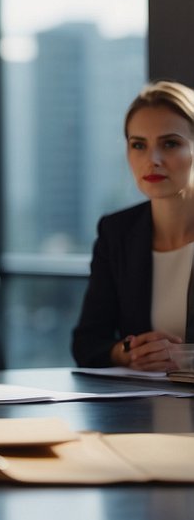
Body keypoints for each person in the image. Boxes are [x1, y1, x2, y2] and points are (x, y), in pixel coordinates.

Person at [72, 80, 194, 370]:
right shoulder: (117, 232)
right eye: (139, 145)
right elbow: (87, 342)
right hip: (142, 408)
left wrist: (187, 357)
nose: (152, 160)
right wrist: (128, 352)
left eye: (170, 143)